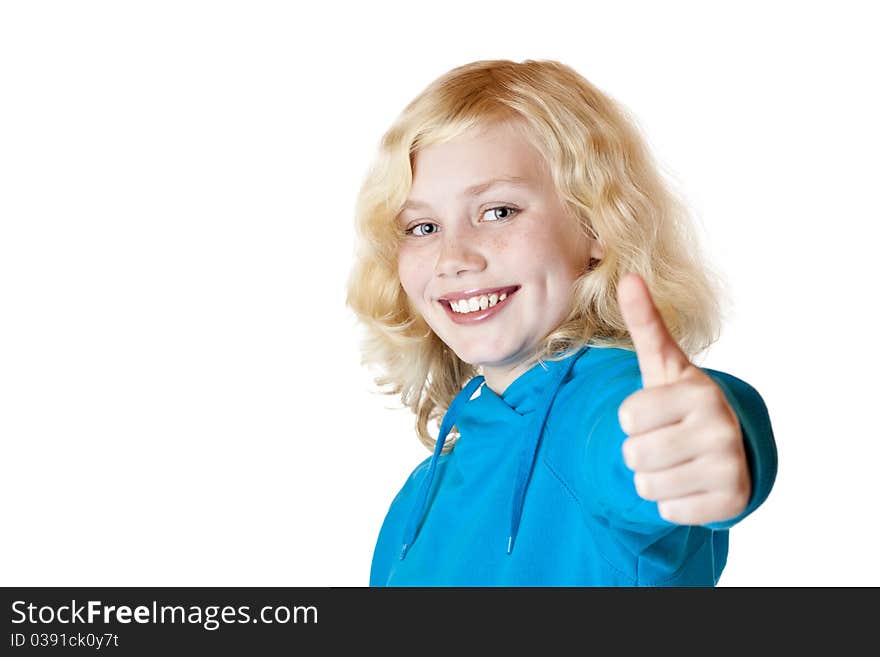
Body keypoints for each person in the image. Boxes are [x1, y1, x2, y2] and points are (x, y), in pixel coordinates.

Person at [346, 59, 777, 586]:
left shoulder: (600, 408)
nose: (452, 256)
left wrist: (707, 442)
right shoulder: (420, 497)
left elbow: (639, 435)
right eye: (423, 226)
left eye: (498, 211)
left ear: (595, 225)